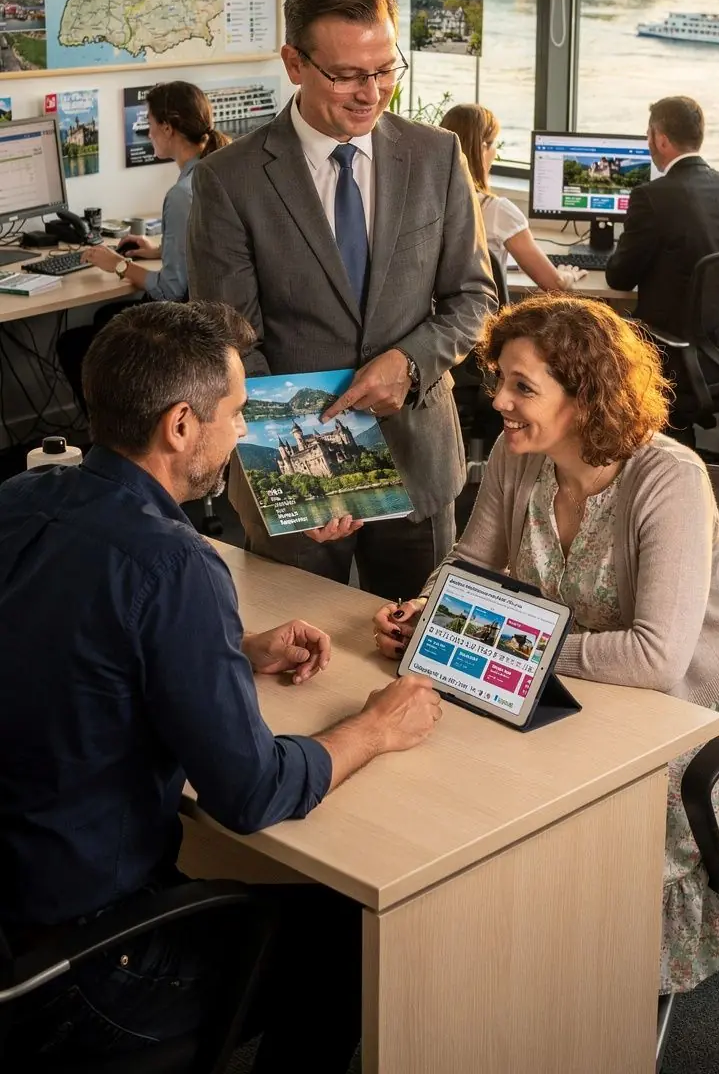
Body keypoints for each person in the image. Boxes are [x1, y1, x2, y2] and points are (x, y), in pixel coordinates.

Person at [0, 300, 442, 1067]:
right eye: (235, 413)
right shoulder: (175, 562)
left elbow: (60, 640)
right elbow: (251, 793)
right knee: (346, 932)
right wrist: (375, 727)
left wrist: (226, 647)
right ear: (180, 425)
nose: (242, 432)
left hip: (13, 913)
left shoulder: (18, 500)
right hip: (83, 972)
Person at [372, 295, 719, 996]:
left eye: (522, 387)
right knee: (446, 766)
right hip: (572, 681)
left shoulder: (666, 479)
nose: (498, 401)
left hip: (681, 712)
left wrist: (511, 640)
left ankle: (588, 983)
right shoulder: (520, 458)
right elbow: (469, 566)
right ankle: (494, 956)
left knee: (551, 809)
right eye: (499, 379)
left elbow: (655, 658)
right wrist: (426, 607)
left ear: (585, 396)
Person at [187, 0, 496, 600]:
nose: (372, 92)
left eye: (385, 69)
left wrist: (409, 364)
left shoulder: (436, 156)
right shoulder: (229, 180)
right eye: (348, 74)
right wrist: (315, 468)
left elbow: (474, 299)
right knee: (300, 661)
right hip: (294, 463)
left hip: (419, 458)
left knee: (414, 660)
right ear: (294, 63)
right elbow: (229, 338)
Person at [57, 81, 229, 411]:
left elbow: (170, 290)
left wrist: (118, 265)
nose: (147, 133)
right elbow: (207, 247)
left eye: (149, 125)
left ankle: (115, 436)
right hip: (216, 316)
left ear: (168, 128)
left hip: (188, 328)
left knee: (74, 343)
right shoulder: (216, 170)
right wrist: (159, 250)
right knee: (105, 314)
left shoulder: (182, 194)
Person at [605, 94, 719, 336]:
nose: (648, 143)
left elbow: (619, 279)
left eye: (649, 136)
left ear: (662, 141)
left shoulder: (651, 197)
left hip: (669, 343)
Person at [439, 103, 586, 293]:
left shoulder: (426, 200)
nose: (496, 153)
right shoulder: (497, 210)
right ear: (482, 148)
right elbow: (554, 285)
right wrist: (568, 275)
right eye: (494, 144)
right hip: (482, 318)